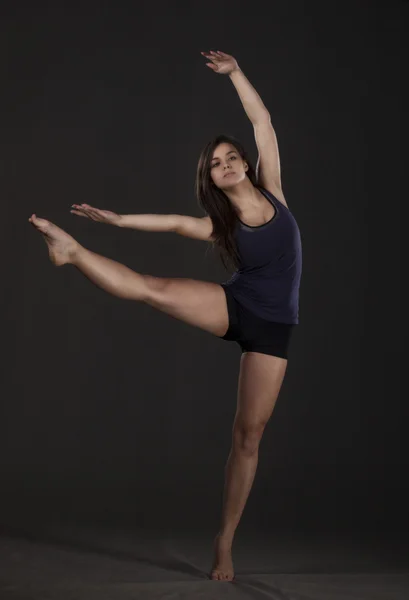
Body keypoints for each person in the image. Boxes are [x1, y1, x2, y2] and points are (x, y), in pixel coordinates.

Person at [29, 50, 302, 582]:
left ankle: (225, 541)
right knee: (151, 289)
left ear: (244, 162)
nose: (222, 166)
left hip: (274, 328)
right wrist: (117, 220)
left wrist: (237, 73)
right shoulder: (222, 224)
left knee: (249, 434)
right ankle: (73, 252)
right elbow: (175, 224)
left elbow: (261, 121)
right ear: (213, 178)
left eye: (228, 158)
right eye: (213, 165)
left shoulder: (275, 190)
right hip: (236, 306)